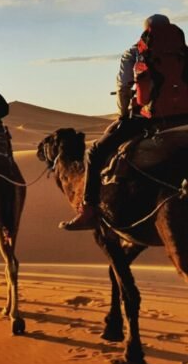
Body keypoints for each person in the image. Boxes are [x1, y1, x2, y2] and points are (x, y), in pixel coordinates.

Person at [61, 15, 188, 230]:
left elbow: (123, 89)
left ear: (145, 30)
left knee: (95, 153)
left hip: (148, 120)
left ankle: (89, 210)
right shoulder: (184, 52)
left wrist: (123, 115)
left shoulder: (135, 53)